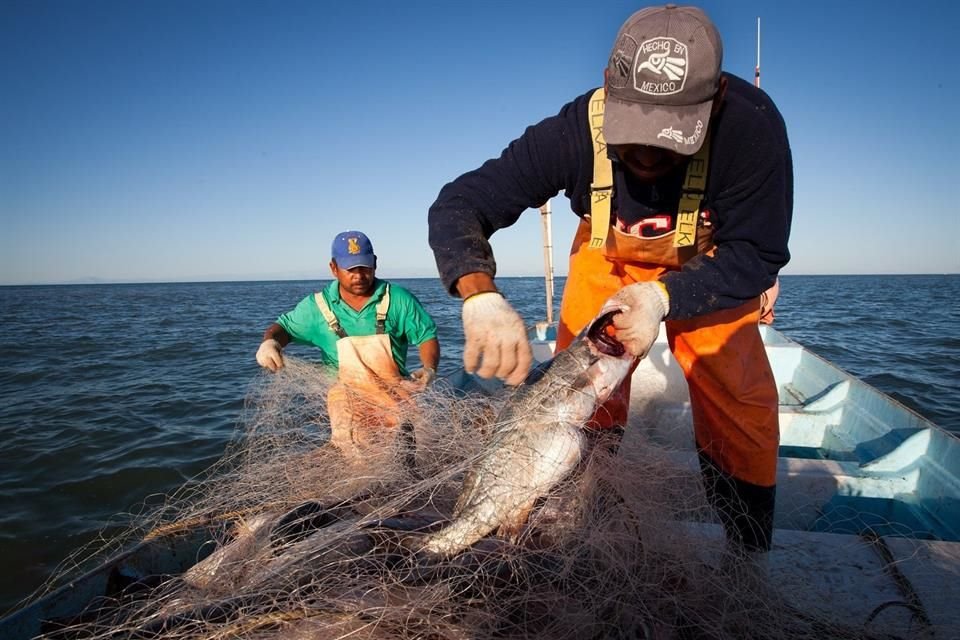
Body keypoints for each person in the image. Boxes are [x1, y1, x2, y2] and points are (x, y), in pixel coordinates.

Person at [427, 5, 792, 564]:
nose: (645, 156)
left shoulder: (751, 129)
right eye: (633, 135)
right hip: (608, 258)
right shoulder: (572, 130)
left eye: (669, 139)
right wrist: (479, 293)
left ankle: (747, 557)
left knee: (738, 397)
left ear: (714, 101)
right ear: (608, 87)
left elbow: (758, 251)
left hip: (707, 270)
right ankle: (576, 515)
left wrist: (663, 297)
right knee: (584, 394)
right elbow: (461, 204)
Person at [256, 230, 440, 457]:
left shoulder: (397, 298)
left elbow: (426, 336)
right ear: (333, 268)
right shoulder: (317, 307)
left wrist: (429, 368)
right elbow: (282, 328)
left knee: (413, 448)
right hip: (347, 399)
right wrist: (270, 343)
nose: (359, 275)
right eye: (350, 269)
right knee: (358, 452)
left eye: (364, 267)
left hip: (395, 392)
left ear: (375, 264)